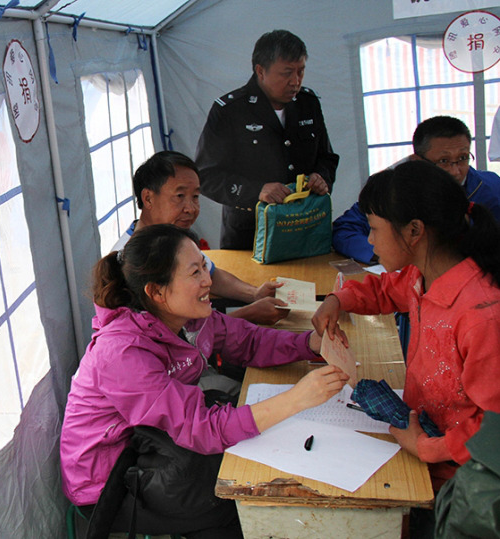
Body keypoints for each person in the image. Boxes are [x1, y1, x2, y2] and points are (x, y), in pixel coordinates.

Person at [61, 223, 349, 538]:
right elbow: (200, 428)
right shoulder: (122, 352)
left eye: (204, 267)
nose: (208, 280)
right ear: (156, 291)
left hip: (156, 441)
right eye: (195, 272)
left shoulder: (190, 317)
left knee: (247, 461)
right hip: (109, 480)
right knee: (231, 500)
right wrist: (296, 399)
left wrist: (310, 344)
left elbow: (248, 341)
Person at [313, 160, 500, 496]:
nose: (369, 240)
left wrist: (428, 447)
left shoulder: (481, 315)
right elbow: (384, 290)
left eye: (373, 228)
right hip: (423, 440)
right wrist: (338, 299)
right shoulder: (422, 276)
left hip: (465, 478)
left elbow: (494, 429)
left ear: (414, 231)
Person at [194, 29, 339, 249]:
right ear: (260, 71)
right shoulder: (230, 111)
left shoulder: (308, 104)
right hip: (249, 237)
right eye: (287, 73)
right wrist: (257, 190)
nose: (295, 81)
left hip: (304, 229)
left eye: (301, 72)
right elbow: (206, 176)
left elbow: (327, 157)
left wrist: (322, 177)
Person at [114, 151, 289, 325]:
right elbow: (172, 337)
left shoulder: (174, 240)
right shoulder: (130, 261)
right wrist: (246, 315)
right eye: (179, 196)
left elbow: (213, 275)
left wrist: (254, 294)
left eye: (195, 197)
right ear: (148, 198)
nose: (191, 208)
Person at [333, 115, 500, 263]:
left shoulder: (491, 187)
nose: (455, 171)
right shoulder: (396, 190)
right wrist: (384, 253)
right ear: (417, 161)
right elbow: (344, 229)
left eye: (463, 158)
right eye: (443, 161)